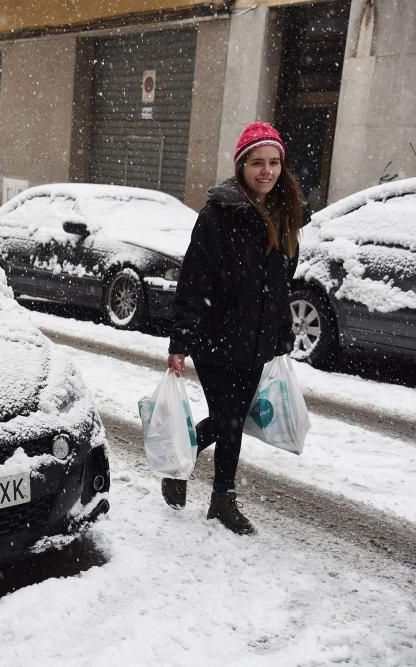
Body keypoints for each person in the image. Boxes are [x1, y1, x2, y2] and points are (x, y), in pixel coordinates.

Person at [163, 121, 307, 536]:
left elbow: (281, 285)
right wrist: (180, 341)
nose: (267, 171)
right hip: (216, 336)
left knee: (234, 417)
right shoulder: (217, 217)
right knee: (228, 419)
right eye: (258, 163)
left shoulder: (285, 215)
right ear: (242, 165)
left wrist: (282, 335)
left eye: (274, 162)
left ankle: (184, 460)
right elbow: (194, 281)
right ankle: (222, 499)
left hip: (258, 339)